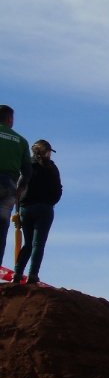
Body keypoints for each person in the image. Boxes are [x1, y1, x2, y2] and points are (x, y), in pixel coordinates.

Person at [12, 140, 62, 285]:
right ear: (47, 152)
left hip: (26, 208)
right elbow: (58, 189)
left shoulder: (27, 166)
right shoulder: (52, 168)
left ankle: (17, 273)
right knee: (38, 244)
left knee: (27, 244)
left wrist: (18, 209)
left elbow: (19, 188)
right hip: (44, 208)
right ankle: (32, 275)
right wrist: (51, 201)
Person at [0, 105, 32, 273]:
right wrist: (20, 188)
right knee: (1, 228)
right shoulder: (21, 141)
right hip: (9, 186)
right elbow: (27, 170)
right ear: (10, 119)